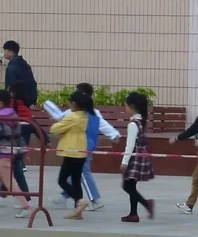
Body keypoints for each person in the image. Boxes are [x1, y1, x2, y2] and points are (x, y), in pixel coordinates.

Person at [45, 83, 120, 211]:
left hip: (77, 147)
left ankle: (93, 199)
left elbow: (59, 119)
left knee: (82, 173)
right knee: (75, 175)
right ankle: (64, 198)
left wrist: (47, 104)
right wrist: (114, 134)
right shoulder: (92, 112)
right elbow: (104, 125)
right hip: (87, 145)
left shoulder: (74, 113)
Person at [50, 90, 100, 220]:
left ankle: (79, 201)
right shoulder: (85, 116)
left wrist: (58, 124)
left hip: (71, 151)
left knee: (62, 180)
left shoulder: (73, 117)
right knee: (76, 181)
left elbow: (55, 129)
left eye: (70, 103)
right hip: (81, 150)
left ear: (74, 104)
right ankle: (78, 212)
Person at [0, 81, 51, 208]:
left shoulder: (9, 111)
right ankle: (10, 193)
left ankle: (25, 202)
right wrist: (24, 151)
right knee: (12, 174)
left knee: (12, 177)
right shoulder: (15, 110)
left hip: (6, 150)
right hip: (15, 147)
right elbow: (22, 132)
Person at [120, 92, 155, 223]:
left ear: (132, 106)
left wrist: (124, 162)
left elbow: (130, 145)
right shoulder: (141, 121)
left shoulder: (133, 124)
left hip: (133, 157)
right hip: (140, 156)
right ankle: (133, 214)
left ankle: (146, 204)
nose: (125, 109)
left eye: (126, 106)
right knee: (131, 186)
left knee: (127, 186)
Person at [0, 90, 31, 218]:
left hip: (3, 153)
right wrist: (23, 152)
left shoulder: (1, 117)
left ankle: (25, 206)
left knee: (10, 182)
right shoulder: (13, 115)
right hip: (11, 152)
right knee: (4, 180)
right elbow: (19, 136)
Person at [3, 41, 37, 108]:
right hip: (27, 100)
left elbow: (10, 84)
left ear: (11, 52)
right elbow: (32, 82)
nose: (4, 53)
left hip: (15, 101)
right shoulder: (25, 64)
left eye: (5, 50)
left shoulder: (11, 67)